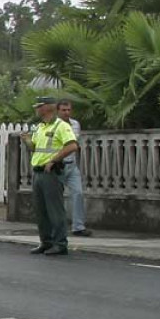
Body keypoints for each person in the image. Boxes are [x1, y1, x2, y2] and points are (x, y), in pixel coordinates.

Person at [20, 97, 79, 255]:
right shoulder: (40, 127)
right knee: (41, 210)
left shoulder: (61, 126)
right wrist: (27, 140)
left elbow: (72, 146)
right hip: (38, 171)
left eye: (38, 106)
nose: (36, 109)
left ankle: (60, 243)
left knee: (54, 209)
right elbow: (36, 148)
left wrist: (54, 160)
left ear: (46, 107)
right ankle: (46, 242)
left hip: (51, 173)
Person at [56, 99, 92, 237]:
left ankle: (78, 226)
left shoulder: (75, 124)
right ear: (58, 111)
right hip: (57, 164)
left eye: (68, 110)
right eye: (63, 110)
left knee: (78, 193)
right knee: (56, 198)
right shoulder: (54, 125)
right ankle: (57, 225)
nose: (66, 112)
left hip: (71, 165)